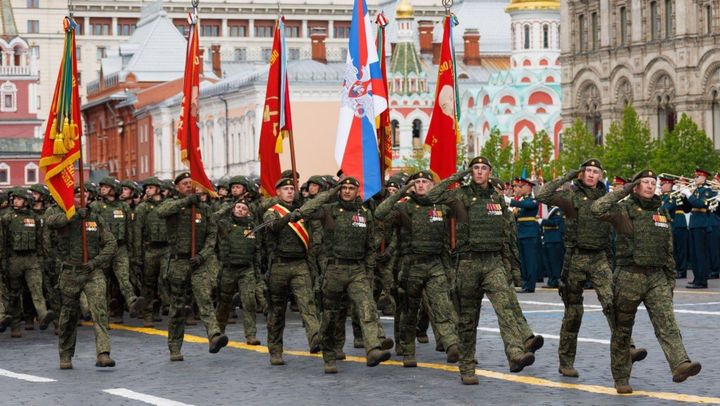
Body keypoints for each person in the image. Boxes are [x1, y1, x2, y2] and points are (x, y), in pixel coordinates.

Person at [427, 157, 542, 385]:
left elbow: (508, 235)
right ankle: (467, 367)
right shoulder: (459, 195)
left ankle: (515, 354)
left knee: (504, 307)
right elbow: (431, 196)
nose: (479, 172)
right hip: (468, 263)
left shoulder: (497, 198)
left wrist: (513, 268)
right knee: (468, 320)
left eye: (483, 169)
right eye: (475, 168)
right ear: (471, 172)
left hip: (493, 262)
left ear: (490, 172)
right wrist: (458, 176)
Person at [591, 170, 702, 394]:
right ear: (636, 186)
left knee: (667, 322)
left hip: (657, 276)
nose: (651, 186)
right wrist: (623, 191)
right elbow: (597, 209)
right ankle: (621, 377)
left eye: (653, 183)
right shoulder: (623, 210)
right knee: (622, 330)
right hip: (628, 276)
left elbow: (667, 250)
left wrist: (670, 281)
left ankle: (680, 364)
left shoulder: (661, 212)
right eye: (645, 183)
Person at [536, 159, 646, 378]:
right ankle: (566, 361)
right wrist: (567, 176)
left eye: (595, 171)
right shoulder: (571, 196)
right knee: (574, 313)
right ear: (581, 174)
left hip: (599, 259)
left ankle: (627, 349)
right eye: (587, 171)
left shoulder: (607, 199)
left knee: (612, 304)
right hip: (575, 258)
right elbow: (541, 196)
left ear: (601, 175)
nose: (591, 174)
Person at [295, 177, 393, 373]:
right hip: (334, 270)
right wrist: (330, 193)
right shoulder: (328, 210)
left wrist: (368, 269)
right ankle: (329, 357)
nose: (347, 191)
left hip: (357, 270)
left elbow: (370, 245)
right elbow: (305, 211)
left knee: (367, 308)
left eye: (351, 188)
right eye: (344, 188)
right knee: (331, 316)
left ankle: (373, 348)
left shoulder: (365, 213)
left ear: (358, 191)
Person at [375, 171, 460, 368]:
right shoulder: (403, 208)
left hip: (435, 264)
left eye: (425, 182)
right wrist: (402, 190)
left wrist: (449, 270)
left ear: (433, 185)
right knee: (409, 310)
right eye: (417, 182)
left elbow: (447, 240)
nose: (421, 185)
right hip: (410, 266)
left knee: (442, 307)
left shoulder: (442, 208)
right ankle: (407, 349)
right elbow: (380, 213)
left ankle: (451, 344)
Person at [156, 172, 229, 361]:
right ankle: (174, 346)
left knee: (204, 298)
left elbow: (212, 237)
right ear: (178, 187)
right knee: (178, 307)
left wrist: (203, 255)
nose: (189, 185)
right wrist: (186, 202)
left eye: (191, 182)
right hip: (179, 262)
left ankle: (214, 336)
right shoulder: (173, 205)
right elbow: (161, 212)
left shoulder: (204, 209)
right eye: (185, 183)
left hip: (198, 262)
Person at [45, 186, 118, 369]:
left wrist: (96, 262)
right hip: (70, 272)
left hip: (92, 272)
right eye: (78, 194)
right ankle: (66, 354)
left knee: (99, 311)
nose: (83, 196)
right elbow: (51, 222)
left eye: (85, 194)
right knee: (69, 316)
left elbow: (110, 243)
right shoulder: (57, 212)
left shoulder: (95, 217)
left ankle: (103, 353)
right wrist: (75, 214)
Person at [262, 178, 322, 366]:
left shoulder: (301, 211)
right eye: (285, 189)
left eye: (291, 189)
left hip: (299, 265)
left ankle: (315, 338)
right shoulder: (271, 213)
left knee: (307, 304)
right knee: (277, 312)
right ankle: (275, 350)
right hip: (279, 266)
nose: (289, 192)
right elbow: (273, 227)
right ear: (277, 192)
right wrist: (289, 217)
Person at [0, 188, 56, 336]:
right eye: (14, 199)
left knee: (37, 289)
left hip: (32, 260)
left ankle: (43, 314)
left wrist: (42, 259)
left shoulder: (35, 218)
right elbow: (3, 241)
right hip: (14, 260)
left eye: (19, 199)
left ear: (26, 201)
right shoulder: (7, 217)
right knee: (14, 294)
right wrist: (4, 261)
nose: (15, 201)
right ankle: (15, 326)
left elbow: (40, 241)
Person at [89, 177, 145, 322]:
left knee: (123, 277)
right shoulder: (96, 206)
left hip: (120, 248)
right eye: (101, 186)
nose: (102, 189)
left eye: (106, 187)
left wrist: (133, 252)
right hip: (103, 249)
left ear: (113, 189)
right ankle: (104, 315)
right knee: (103, 284)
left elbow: (130, 230)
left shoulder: (124, 207)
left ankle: (132, 301)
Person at [215, 199, 261, 345]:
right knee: (224, 302)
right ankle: (218, 331)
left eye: (244, 208)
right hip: (228, 269)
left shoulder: (252, 227)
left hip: (246, 269)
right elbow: (213, 218)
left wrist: (257, 273)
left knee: (249, 301)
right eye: (238, 207)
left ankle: (250, 335)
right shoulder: (225, 224)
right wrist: (228, 206)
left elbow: (257, 251)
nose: (240, 210)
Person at [134, 177, 169, 327]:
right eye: (146, 188)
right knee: (148, 283)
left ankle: (166, 307)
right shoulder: (142, 208)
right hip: (150, 249)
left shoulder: (167, 206)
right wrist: (138, 255)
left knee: (165, 278)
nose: (147, 190)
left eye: (151, 187)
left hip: (167, 248)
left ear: (158, 189)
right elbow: (138, 232)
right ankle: (148, 313)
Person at [681, 168, 716, 289]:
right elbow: (687, 209)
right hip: (694, 224)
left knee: (701, 254)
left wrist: (689, 194)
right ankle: (697, 278)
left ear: (703, 177)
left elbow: (700, 204)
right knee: (694, 254)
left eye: (697, 177)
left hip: (702, 225)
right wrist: (684, 196)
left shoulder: (707, 191)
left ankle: (702, 280)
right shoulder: (695, 190)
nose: (695, 179)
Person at [510, 178, 541, 293]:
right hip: (522, 233)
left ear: (528, 187)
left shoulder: (532, 200)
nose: (520, 188)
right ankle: (526, 283)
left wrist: (510, 201)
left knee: (530, 260)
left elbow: (525, 205)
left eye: (522, 186)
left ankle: (530, 285)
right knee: (523, 260)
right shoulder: (522, 202)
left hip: (530, 234)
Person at [659, 176, 690, 279]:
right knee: (672, 249)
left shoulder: (675, 195)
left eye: (663, 184)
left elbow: (686, 209)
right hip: (670, 224)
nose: (661, 186)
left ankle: (682, 270)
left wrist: (685, 193)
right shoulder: (663, 196)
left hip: (679, 223)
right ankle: (674, 269)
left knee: (681, 249)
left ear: (669, 184)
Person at [541, 207, 565, 288]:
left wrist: (542, 221)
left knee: (555, 262)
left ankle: (557, 280)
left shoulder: (557, 209)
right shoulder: (546, 208)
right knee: (547, 262)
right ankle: (551, 280)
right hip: (547, 237)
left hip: (555, 238)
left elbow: (555, 222)